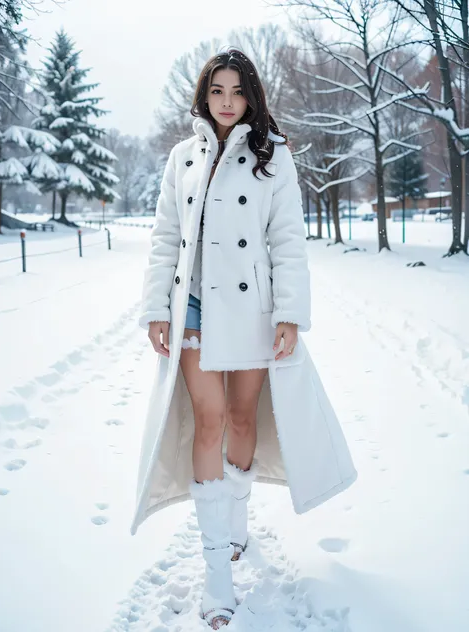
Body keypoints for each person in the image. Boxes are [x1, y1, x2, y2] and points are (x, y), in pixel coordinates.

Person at [132, 48, 357, 629]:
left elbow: (287, 241)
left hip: (253, 312)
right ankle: (216, 572)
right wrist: (158, 308)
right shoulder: (181, 158)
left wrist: (289, 314)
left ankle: (234, 522)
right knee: (207, 421)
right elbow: (163, 238)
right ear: (203, 97)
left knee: (240, 419)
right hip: (196, 310)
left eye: (237, 91)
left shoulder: (273, 157)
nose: (227, 102)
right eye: (217, 91)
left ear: (251, 95)